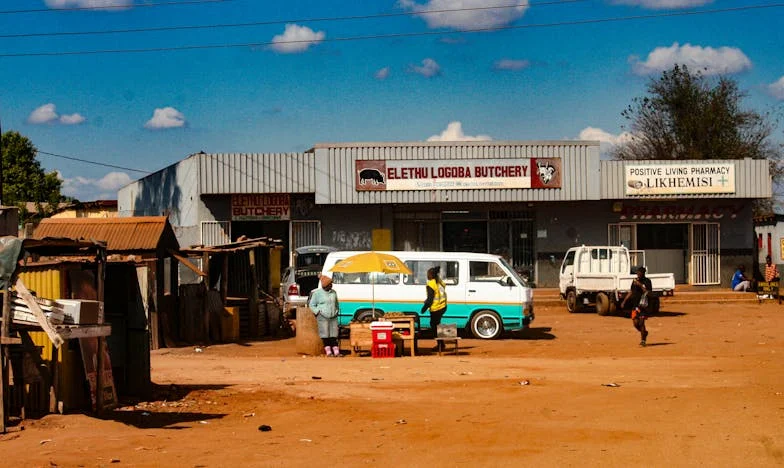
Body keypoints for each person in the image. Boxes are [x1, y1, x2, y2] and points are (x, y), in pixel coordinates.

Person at [309, 275, 341, 357]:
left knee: (334, 335)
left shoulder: (334, 292)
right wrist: (318, 312)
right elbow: (312, 305)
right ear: (325, 285)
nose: (332, 285)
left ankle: (336, 352)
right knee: (325, 335)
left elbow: (336, 303)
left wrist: (336, 310)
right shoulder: (317, 293)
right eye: (330, 284)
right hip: (322, 316)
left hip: (333, 316)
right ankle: (328, 352)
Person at [621, 266, 653, 347]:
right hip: (635, 305)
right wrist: (624, 301)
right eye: (637, 273)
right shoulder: (634, 281)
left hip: (643, 305)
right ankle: (644, 333)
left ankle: (643, 340)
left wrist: (641, 285)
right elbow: (631, 292)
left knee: (641, 323)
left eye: (639, 273)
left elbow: (648, 292)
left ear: (643, 273)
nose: (638, 274)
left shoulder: (647, 281)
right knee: (635, 324)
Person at [421, 266, 447, 347]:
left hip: (436, 308)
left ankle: (440, 344)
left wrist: (423, 309)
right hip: (443, 306)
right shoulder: (439, 281)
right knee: (437, 324)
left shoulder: (431, 284)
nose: (427, 276)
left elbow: (430, 299)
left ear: (431, 275)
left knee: (434, 326)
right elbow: (438, 293)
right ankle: (441, 343)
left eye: (428, 274)